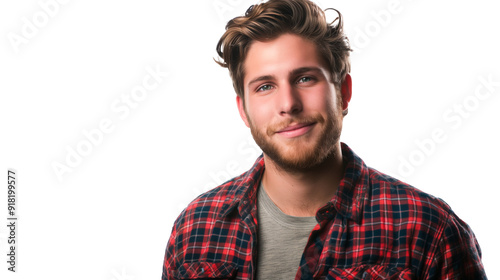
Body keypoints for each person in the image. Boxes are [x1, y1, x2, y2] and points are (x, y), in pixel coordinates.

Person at [161, 0, 486, 279]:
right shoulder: (194, 229)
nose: (288, 104)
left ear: (343, 93)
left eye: (305, 78)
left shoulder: (428, 230)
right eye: (264, 86)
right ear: (244, 111)